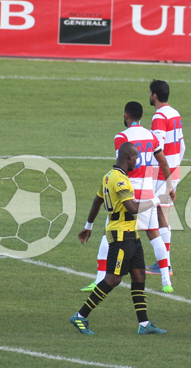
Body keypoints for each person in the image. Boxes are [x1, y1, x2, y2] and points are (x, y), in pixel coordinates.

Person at [70, 142, 168, 336]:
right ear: (129, 157)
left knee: (139, 276)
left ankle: (144, 323)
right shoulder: (120, 180)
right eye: (136, 157)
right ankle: (80, 316)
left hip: (132, 236)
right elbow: (132, 208)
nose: (138, 161)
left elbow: (97, 200)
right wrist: (157, 200)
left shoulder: (109, 176)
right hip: (121, 237)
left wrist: (88, 226)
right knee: (113, 279)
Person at [82, 102, 176, 293]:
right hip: (148, 191)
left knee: (108, 232)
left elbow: (122, 164)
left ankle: (99, 279)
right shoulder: (150, 135)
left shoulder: (122, 137)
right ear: (141, 116)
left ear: (126, 116)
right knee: (154, 234)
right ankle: (166, 282)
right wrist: (169, 186)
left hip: (127, 192)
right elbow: (163, 161)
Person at [146, 79, 184, 279]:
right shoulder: (175, 113)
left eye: (150, 92)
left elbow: (156, 146)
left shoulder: (159, 116)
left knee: (159, 215)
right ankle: (164, 262)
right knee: (164, 214)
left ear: (154, 95)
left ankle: (165, 264)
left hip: (161, 171)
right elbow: (183, 145)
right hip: (173, 168)